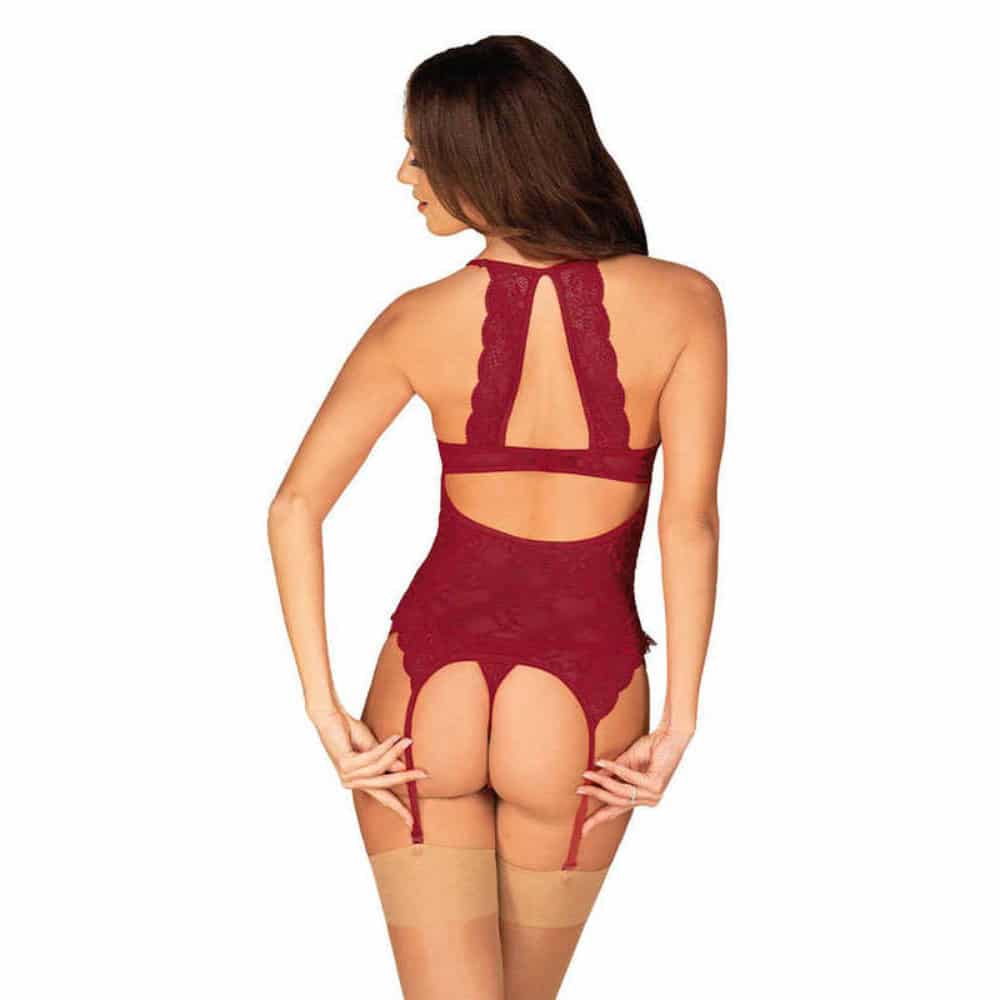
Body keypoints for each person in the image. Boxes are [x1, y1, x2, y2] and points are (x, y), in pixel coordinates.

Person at [268, 34, 726, 1000]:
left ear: (489, 159)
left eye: (422, 153)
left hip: (420, 693)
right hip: (584, 697)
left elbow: (296, 504)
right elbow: (689, 524)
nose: (405, 175)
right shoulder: (685, 302)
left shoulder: (415, 317)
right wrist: (682, 717)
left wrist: (323, 708)